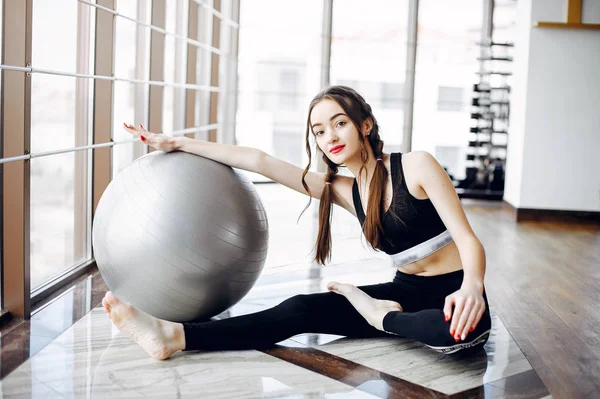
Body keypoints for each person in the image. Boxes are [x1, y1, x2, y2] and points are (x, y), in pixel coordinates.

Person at [103, 85, 491, 361]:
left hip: (454, 290)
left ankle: (382, 316)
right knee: (301, 308)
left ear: (366, 125)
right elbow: (261, 162)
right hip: (404, 290)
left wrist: (472, 286)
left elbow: (468, 239)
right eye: (319, 132)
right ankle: (173, 337)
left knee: (454, 334)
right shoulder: (343, 190)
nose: (329, 137)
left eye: (339, 124)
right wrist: (177, 143)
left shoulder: (416, 165)